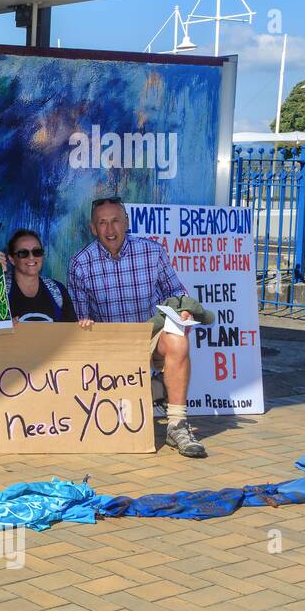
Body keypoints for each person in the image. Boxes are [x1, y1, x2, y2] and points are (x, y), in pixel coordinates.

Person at [67, 196, 205, 458]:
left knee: (178, 339)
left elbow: (176, 293)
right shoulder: (80, 263)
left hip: (149, 336)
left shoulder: (152, 252)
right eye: (102, 223)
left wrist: (183, 310)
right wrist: (83, 324)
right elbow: (80, 316)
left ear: (127, 222)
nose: (110, 229)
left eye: (116, 220)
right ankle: (148, 395)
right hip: (109, 346)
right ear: (93, 228)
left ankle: (177, 425)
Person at [4, 229, 87, 324]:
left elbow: (72, 330)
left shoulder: (57, 290)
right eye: (23, 253)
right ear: (11, 259)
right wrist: (4, 326)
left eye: (37, 252)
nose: (31, 257)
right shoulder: (0, 293)